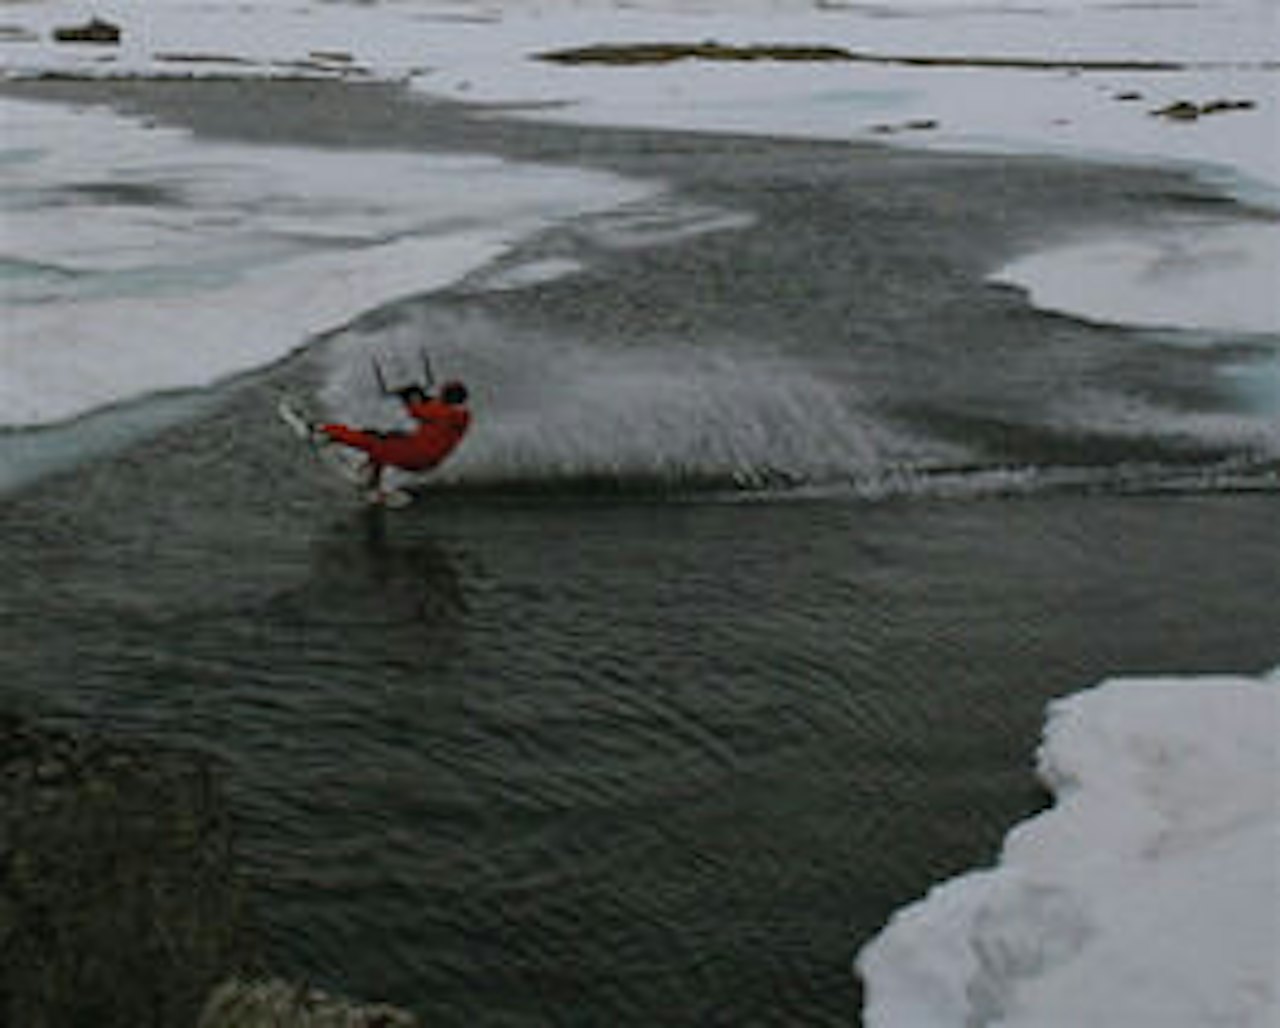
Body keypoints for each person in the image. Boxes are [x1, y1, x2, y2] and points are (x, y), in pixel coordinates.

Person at [314, 379, 471, 498]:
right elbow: (432, 410)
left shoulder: (442, 412)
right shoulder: (463, 416)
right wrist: (418, 396)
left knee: (371, 440)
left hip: (413, 455)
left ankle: (325, 431)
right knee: (388, 438)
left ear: (447, 396)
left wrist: (408, 396)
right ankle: (372, 483)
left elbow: (416, 411)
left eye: (442, 393)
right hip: (428, 460)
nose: (439, 394)